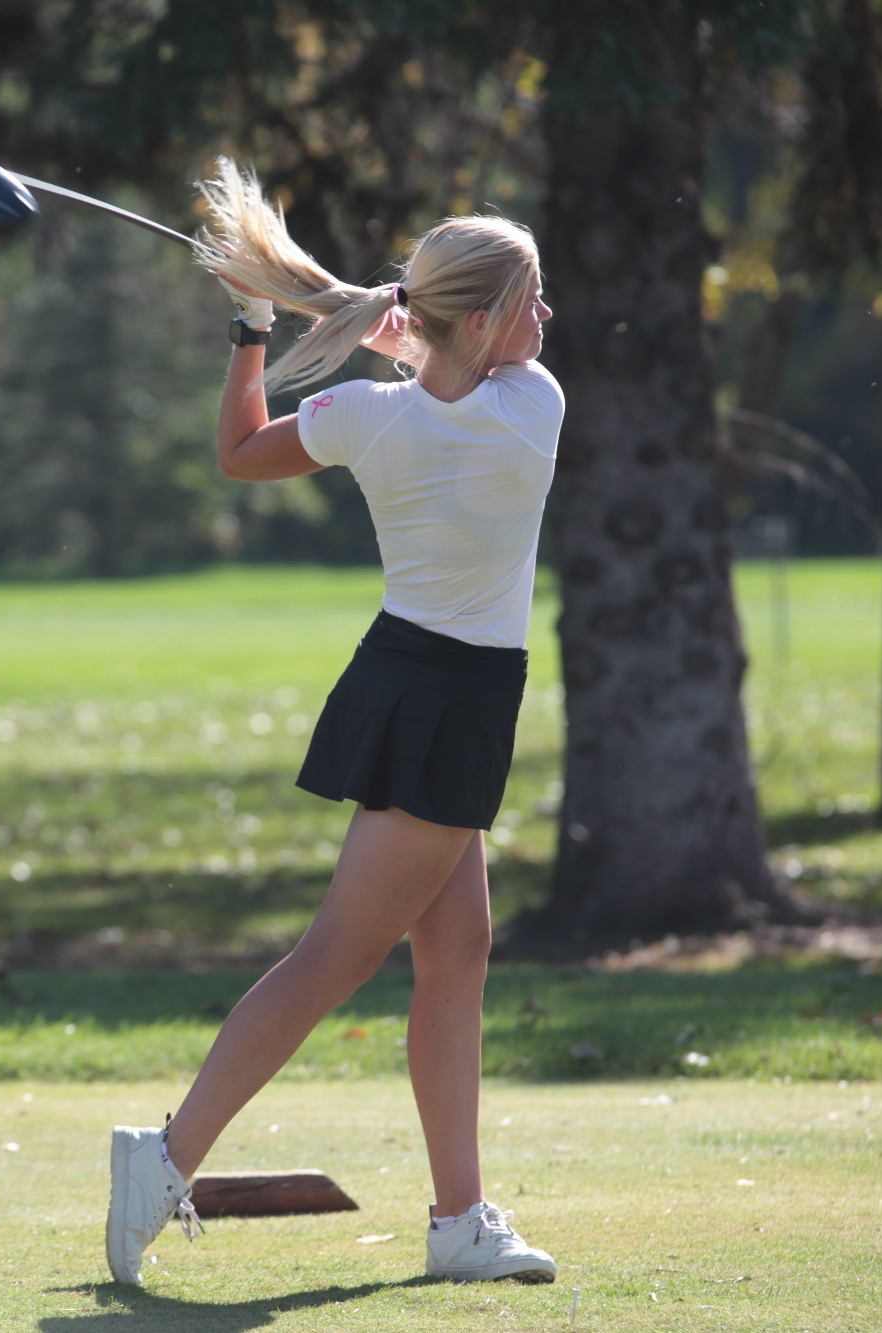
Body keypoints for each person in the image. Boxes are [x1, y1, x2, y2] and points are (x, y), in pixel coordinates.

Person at [106, 158, 563, 1287]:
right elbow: (431, 359)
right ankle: (164, 1157)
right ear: (493, 320)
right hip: (452, 700)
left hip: (405, 680)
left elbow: (239, 450)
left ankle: (459, 1218)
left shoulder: (364, 419)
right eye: (534, 300)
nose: (548, 317)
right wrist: (368, 315)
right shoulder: (532, 405)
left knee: (455, 949)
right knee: (332, 959)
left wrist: (249, 326)